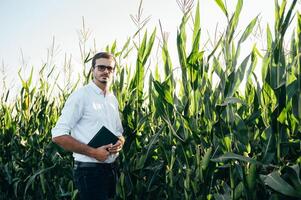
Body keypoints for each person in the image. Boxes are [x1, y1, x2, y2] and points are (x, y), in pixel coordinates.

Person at [52, 52, 125, 200]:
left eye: (110, 68)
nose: (105, 71)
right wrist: (93, 153)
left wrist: (120, 142)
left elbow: (119, 132)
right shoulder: (81, 96)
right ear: (92, 70)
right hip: (89, 172)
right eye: (101, 67)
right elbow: (58, 135)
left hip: (111, 170)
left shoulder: (112, 99)